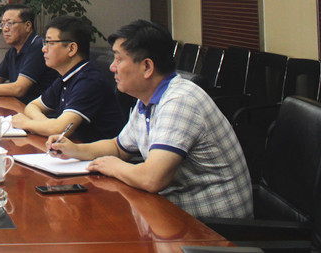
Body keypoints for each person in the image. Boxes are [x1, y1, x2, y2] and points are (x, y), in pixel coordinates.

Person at [47, 19, 253, 219]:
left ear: (147, 67)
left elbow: (152, 178)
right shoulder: (148, 98)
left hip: (214, 227)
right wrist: (74, 150)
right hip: (173, 211)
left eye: (119, 59)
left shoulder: (179, 102)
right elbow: (119, 147)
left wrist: (114, 166)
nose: (112, 67)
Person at [11, 15, 124, 142]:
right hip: (72, 148)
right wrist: (46, 124)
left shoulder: (89, 81)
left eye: (50, 43)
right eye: (45, 43)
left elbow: (60, 129)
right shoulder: (66, 77)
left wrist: (27, 124)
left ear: (71, 49)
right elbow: (32, 106)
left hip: (94, 152)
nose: (44, 49)